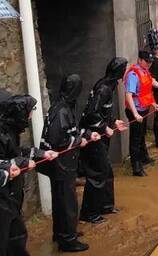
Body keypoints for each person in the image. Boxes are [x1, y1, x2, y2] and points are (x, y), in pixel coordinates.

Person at [39, 75, 100, 251]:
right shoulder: (61, 111)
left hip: (63, 164)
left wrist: (87, 134)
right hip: (61, 164)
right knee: (67, 202)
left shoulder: (63, 106)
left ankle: (63, 232)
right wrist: (79, 141)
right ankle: (68, 240)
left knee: (61, 200)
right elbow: (59, 140)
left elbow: (72, 130)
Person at [0, 90, 57, 255]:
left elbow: (16, 153)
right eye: (28, 113)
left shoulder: (9, 131)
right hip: (3, 197)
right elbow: (8, 161)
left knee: (16, 235)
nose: (30, 117)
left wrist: (42, 154)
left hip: (11, 196)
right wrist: (23, 163)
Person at [78, 57, 128, 224]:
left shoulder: (110, 85)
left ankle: (106, 205)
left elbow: (105, 110)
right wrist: (103, 127)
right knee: (97, 174)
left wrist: (113, 122)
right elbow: (92, 113)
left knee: (106, 171)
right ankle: (89, 213)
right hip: (92, 137)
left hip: (101, 135)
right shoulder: (103, 88)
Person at [124, 51, 158, 177]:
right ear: (140, 60)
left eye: (150, 62)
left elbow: (149, 86)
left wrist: (154, 103)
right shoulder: (134, 74)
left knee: (142, 135)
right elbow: (129, 95)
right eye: (147, 61)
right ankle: (136, 167)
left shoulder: (145, 71)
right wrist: (135, 114)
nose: (149, 64)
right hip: (135, 111)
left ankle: (144, 157)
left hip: (143, 109)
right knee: (135, 138)